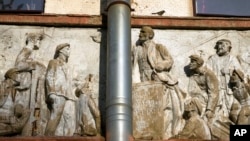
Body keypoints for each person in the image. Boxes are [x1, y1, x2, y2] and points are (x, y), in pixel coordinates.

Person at [132, 26, 185, 138]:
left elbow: (169, 60)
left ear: (150, 35)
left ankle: (159, 130)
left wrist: (161, 65)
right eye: (140, 31)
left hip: (156, 76)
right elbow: (133, 64)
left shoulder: (158, 47)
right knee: (145, 104)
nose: (140, 33)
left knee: (158, 103)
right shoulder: (137, 49)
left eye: (143, 32)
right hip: (142, 77)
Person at [206, 39, 241, 139]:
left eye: (223, 46)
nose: (220, 47)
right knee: (217, 111)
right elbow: (207, 72)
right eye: (219, 46)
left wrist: (229, 71)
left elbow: (240, 73)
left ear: (229, 48)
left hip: (229, 91)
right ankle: (216, 133)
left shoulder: (232, 59)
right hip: (216, 91)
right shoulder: (212, 59)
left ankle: (234, 134)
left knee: (231, 111)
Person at [14, 33, 46, 136]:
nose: (40, 43)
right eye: (39, 40)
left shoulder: (29, 51)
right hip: (24, 86)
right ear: (33, 40)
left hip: (28, 85)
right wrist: (34, 64)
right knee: (25, 110)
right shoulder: (27, 49)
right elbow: (18, 65)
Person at [45, 43, 76, 136]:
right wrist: (51, 93)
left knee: (70, 118)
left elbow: (71, 81)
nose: (69, 51)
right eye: (67, 49)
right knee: (56, 116)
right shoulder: (53, 62)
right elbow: (49, 77)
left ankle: (68, 137)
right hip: (58, 93)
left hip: (69, 95)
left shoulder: (69, 66)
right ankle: (48, 136)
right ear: (61, 50)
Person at [0, 68, 30, 136]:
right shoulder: (2, 87)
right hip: (3, 116)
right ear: (11, 75)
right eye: (17, 74)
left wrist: (19, 106)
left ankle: (13, 129)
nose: (20, 76)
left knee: (28, 112)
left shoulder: (15, 91)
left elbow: (19, 103)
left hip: (11, 118)